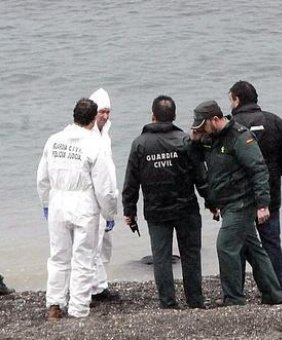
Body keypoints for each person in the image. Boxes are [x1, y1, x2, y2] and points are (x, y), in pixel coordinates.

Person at [191, 100, 282, 306]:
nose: (201, 130)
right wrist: (194, 140)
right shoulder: (211, 138)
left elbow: (259, 170)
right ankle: (273, 294)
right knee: (253, 250)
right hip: (226, 203)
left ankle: (233, 298)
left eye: (202, 126)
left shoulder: (240, 137)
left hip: (241, 202)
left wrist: (262, 204)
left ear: (215, 120)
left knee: (225, 246)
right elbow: (195, 157)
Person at [122, 95, 208, 309]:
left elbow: (131, 181)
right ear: (174, 116)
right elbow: (201, 175)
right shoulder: (184, 140)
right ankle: (195, 301)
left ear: (152, 116)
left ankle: (168, 303)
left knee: (161, 257)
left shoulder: (140, 144)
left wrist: (129, 210)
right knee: (190, 255)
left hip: (156, 209)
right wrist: (212, 201)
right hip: (186, 208)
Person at [37, 98, 117, 320]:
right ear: (93, 119)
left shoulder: (53, 141)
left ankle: (54, 303)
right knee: (83, 258)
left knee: (58, 256)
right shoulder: (94, 145)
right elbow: (104, 186)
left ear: (73, 116)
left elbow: (42, 178)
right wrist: (109, 212)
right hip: (84, 204)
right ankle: (79, 308)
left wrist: (46, 202)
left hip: (58, 203)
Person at [228, 81, 282, 299]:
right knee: (271, 242)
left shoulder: (231, 126)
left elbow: (221, 162)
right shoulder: (274, 121)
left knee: (237, 244)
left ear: (237, 100)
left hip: (238, 196)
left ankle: (236, 292)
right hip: (270, 194)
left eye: (230, 99)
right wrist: (275, 173)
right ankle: (276, 287)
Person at [88, 88, 120, 302]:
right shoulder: (86, 137)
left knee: (104, 245)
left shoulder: (105, 135)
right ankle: (95, 288)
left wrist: (111, 206)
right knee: (92, 245)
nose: (105, 116)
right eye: (102, 112)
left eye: (108, 112)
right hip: (92, 200)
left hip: (106, 198)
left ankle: (101, 283)